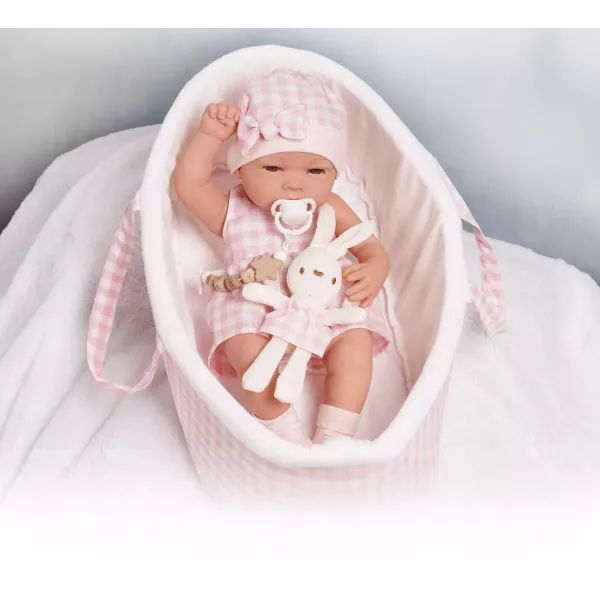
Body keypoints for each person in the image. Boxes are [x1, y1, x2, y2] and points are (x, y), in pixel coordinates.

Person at [173, 68, 390, 445]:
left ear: (333, 175)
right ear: (241, 172)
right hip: (254, 306)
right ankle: (284, 435)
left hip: (325, 306)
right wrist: (209, 137)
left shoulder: (331, 205)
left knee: (354, 346)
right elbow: (190, 185)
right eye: (272, 167)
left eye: (315, 170)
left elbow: (369, 246)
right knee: (247, 351)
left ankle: (335, 436)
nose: (294, 182)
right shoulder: (235, 208)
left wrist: (375, 267)